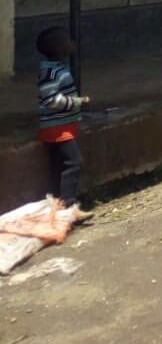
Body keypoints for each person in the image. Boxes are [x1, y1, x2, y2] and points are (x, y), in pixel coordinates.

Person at [36, 27, 89, 213]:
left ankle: (56, 202)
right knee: (74, 162)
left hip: (60, 125)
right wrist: (76, 102)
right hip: (57, 127)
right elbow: (50, 100)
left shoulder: (56, 69)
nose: (72, 43)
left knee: (58, 165)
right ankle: (69, 204)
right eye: (68, 40)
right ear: (59, 48)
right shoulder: (52, 73)